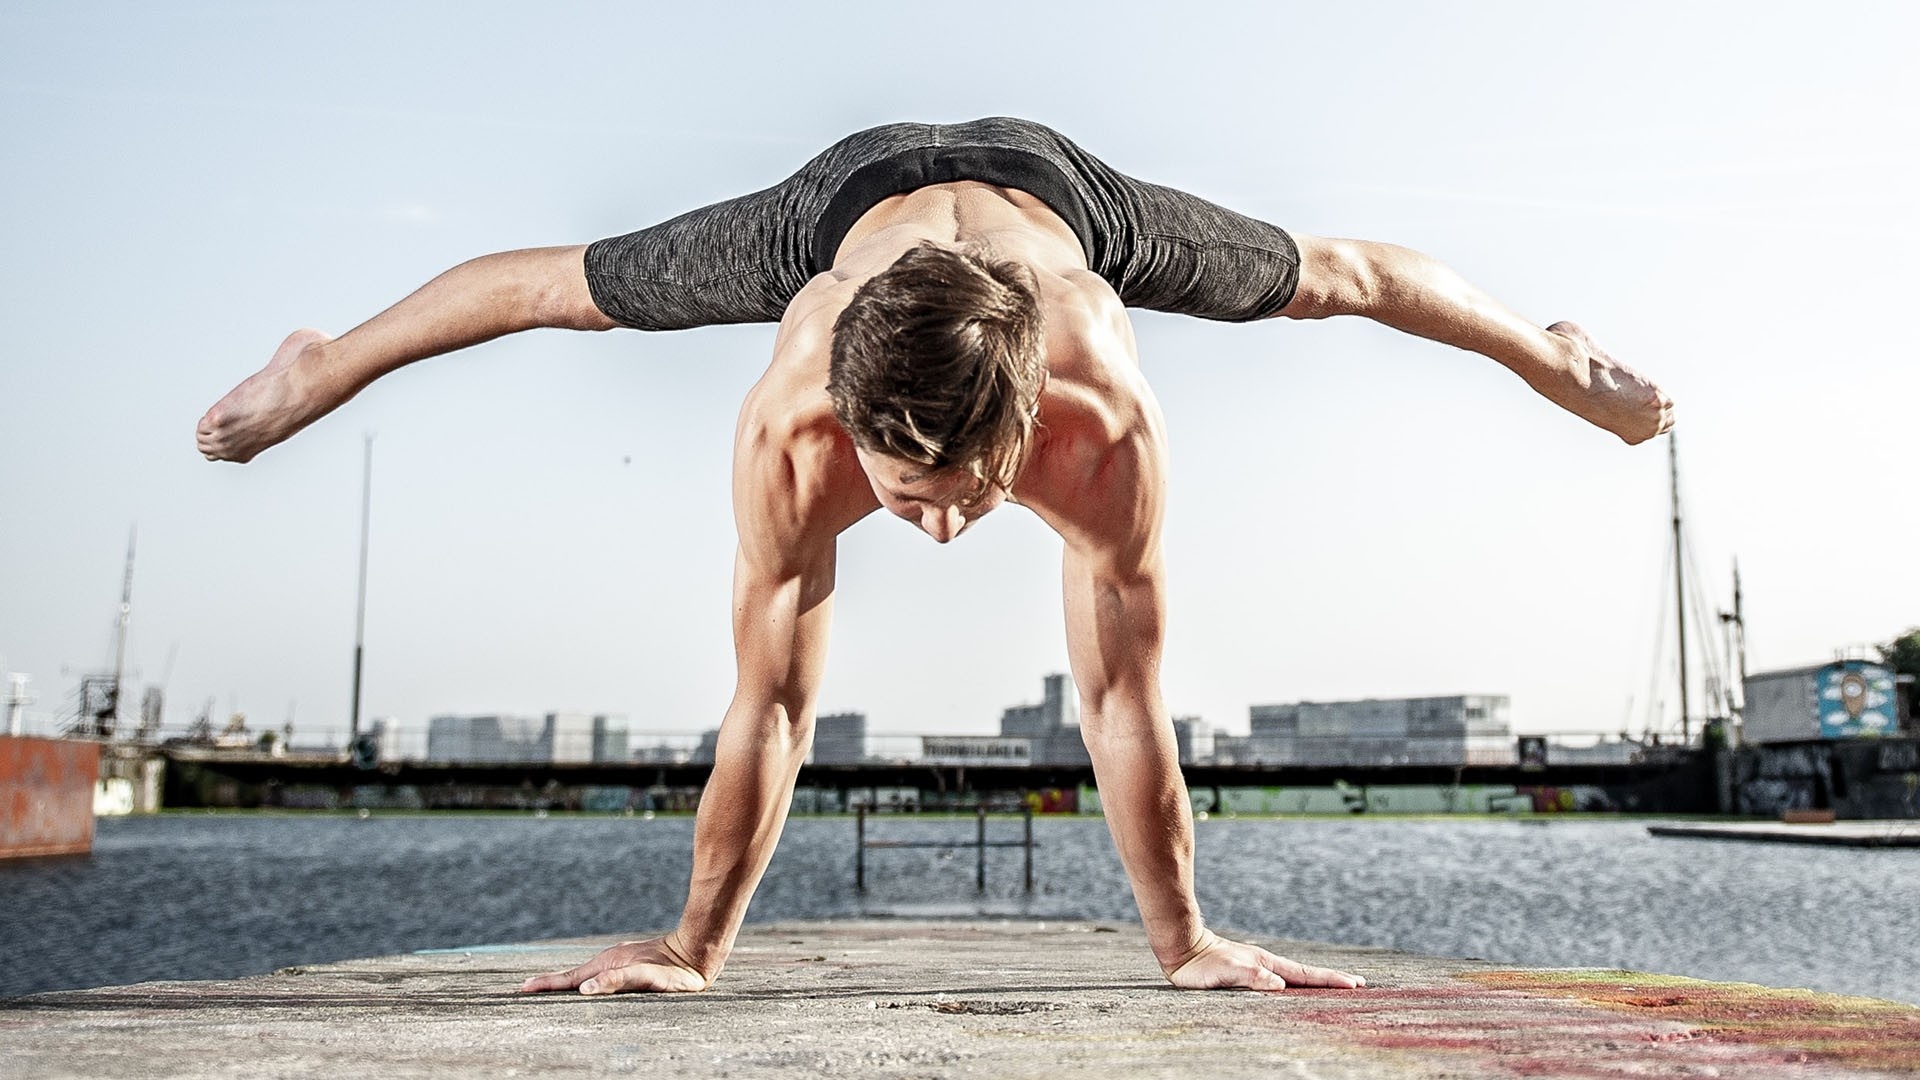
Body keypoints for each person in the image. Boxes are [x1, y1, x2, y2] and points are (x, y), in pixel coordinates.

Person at [198, 118, 1672, 996]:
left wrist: (1187, 943)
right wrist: (692, 948)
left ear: (1034, 424)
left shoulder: (1104, 423)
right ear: (848, 430)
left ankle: (1545, 350)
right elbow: (770, 701)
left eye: (973, 490)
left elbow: (1121, 696)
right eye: (910, 498)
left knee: (1327, 281)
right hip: (846, 209)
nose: (953, 527)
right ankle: (325, 361)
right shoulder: (792, 424)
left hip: (1055, 195)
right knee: (571, 295)